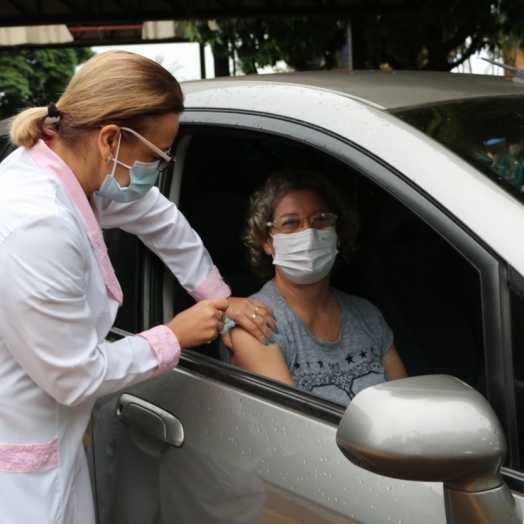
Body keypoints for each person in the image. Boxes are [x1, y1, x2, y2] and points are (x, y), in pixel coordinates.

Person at [0, 50, 275, 524]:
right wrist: (176, 335)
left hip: (52, 447)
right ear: (110, 139)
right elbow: (75, 376)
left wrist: (218, 297)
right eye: (155, 155)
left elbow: (157, 215)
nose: (161, 167)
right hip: (22, 477)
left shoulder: (74, 175)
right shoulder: (36, 224)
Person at [220, 169, 407, 405]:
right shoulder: (256, 324)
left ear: (337, 233)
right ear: (267, 242)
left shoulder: (367, 315)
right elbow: (293, 428)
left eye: (320, 219)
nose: (307, 232)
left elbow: (407, 408)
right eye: (290, 223)